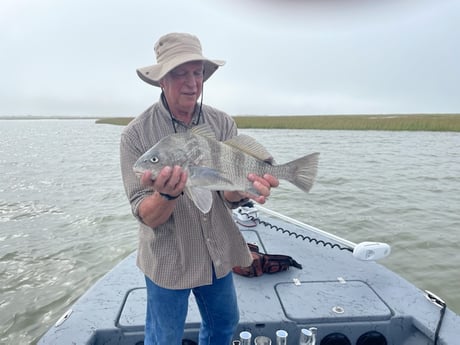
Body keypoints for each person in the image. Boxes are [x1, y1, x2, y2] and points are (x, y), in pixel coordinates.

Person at [120, 32, 279, 345]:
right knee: (165, 338)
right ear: (161, 80)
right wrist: (166, 195)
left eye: (197, 72)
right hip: (168, 258)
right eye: (180, 73)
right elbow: (145, 214)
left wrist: (242, 189)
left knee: (224, 325)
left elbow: (227, 197)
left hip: (216, 252)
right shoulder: (135, 135)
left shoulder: (221, 123)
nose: (192, 82)